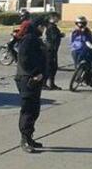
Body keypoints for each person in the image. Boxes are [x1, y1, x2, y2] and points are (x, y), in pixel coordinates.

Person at [15, 17, 47, 153]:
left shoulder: (35, 39)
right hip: (28, 79)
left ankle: (30, 137)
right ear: (38, 26)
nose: (44, 30)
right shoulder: (29, 39)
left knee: (34, 109)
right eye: (43, 27)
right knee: (28, 110)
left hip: (35, 79)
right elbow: (23, 59)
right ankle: (24, 139)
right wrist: (35, 73)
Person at [43, 12, 63, 90]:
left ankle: (51, 83)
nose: (58, 19)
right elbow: (53, 37)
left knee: (53, 67)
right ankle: (44, 83)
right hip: (50, 49)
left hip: (52, 49)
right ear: (53, 18)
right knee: (50, 67)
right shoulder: (51, 27)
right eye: (57, 17)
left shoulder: (51, 26)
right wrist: (60, 35)